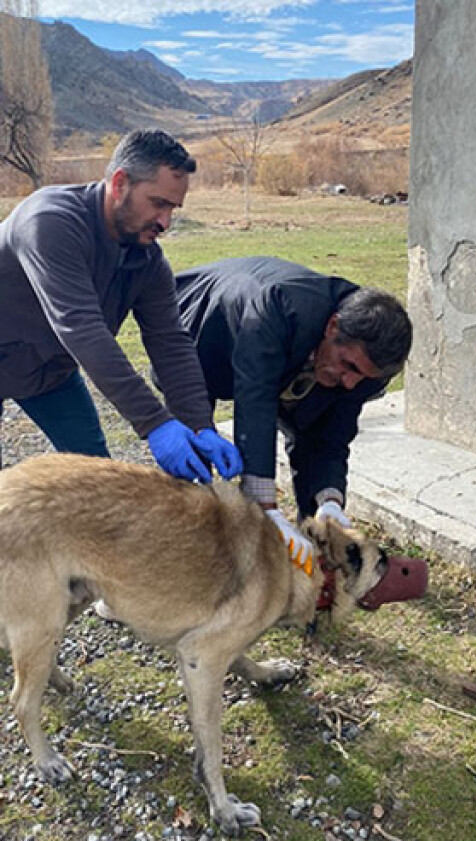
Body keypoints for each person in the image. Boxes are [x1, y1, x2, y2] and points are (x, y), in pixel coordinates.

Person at [0, 128, 240, 482]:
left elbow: (170, 343)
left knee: (97, 477)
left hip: (48, 374)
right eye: (158, 203)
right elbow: (82, 328)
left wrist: (200, 425)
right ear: (119, 183)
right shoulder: (50, 222)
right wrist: (155, 423)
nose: (166, 222)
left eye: (173, 208)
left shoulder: (147, 262)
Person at [171, 256, 412, 567]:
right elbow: (255, 402)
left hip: (287, 349)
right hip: (201, 331)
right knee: (192, 456)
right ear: (332, 326)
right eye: (349, 366)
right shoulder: (278, 308)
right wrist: (265, 506)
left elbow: (329, 435)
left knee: (313, 428)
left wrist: (329, 500)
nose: (351, 383)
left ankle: (305, 571)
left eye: (363, 377)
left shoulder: (368, 365)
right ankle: (174, 568)